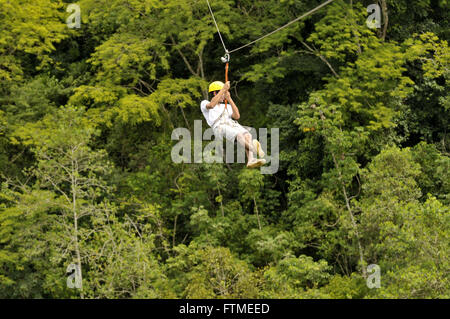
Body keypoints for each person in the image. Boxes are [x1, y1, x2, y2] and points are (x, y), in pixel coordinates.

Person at [200, 81, 266, 168]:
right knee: (239, 135)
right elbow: (211, 105)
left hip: (231, 123)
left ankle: (251, 160)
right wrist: (223, 89)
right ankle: (253, 148)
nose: (223, 96)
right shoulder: (204, 103)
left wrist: (229, 99)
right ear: (215, 92)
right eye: (223, 94)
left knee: (248, 135)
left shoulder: (226, 106)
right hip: (219, 126)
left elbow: (237, 116)